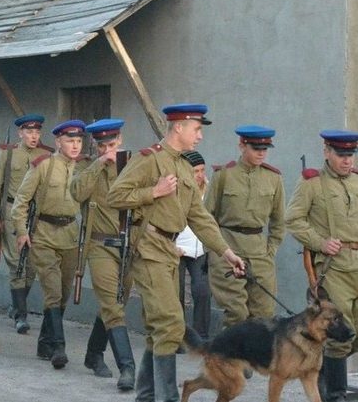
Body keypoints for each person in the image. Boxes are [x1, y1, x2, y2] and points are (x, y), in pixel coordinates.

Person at [106, 103, 245, 402]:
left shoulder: (183, 166)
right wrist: (152, 192)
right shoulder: (149, 159)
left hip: (169, 249)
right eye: (197, 129)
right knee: (170, 323)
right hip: (148, 247)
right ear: (178, 127)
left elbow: (199, 216)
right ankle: (167, 398)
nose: (200, 136)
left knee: (160, 328)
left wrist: (225, 252)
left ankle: (146, 396)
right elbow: (115, 195)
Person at [285, 130, 358, 402]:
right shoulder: (312, 183)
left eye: (350, 155)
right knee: (340, 335)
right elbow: (293, 219)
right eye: (341, 155)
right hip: (331, 268)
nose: (347, 160)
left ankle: (323, 367)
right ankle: (336, 394)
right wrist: (319, 242)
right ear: (327, 152)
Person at [11, 119, 89, 370]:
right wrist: (22, 231)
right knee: (53, 292)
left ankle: (44, 343)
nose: (75, 145)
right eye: (70, 140)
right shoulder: (43, 165)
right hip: (43, 235)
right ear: (58, 142)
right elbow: (21, 201)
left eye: (78, 141)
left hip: (70, 235)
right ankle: (58, 347)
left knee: (63, 295)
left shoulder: (84, 168)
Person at [70, 118, 135, 390]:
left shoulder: (133, 165)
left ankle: (94, 354)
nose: (108, 150)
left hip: (127, 246)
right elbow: (76, 192)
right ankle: (127, 368)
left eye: (111, 144)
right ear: (95, 146)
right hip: (99, 246)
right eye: (102, 146)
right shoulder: (87, 167)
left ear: (120, 140)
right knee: (112, 305)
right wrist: (99, 164)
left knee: (115, 303)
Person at [205, 125, 285, 333]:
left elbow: (278, 221)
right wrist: (214, 250)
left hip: (259, 250)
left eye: (265, 149)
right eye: (256, 148)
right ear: (242, 145)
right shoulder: (223, 175)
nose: (261, 153)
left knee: (264, 314)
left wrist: (270, 250)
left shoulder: (273, 178)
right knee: (236, 313)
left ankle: (253, 354)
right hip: (228, 247)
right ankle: (232, 354)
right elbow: (206, 216)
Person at [0, 114, 54, 335]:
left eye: (37, 132)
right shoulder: (8, 153)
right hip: (11, 212)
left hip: (36, 215)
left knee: (32, 266)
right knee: (16, 262)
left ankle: (16, 306)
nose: (34, 136)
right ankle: (21, 316)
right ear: (20, 133)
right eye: (29, 132)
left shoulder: (47, 156)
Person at [176, 150, 211, 341]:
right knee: (177, 293)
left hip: (200, 249)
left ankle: (201, 336)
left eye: (202, 170)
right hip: (177, 247)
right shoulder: (177, 190)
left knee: (202, 291)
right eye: (195, 171)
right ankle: (178, 336)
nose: (199, 175)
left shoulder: (209, 190)